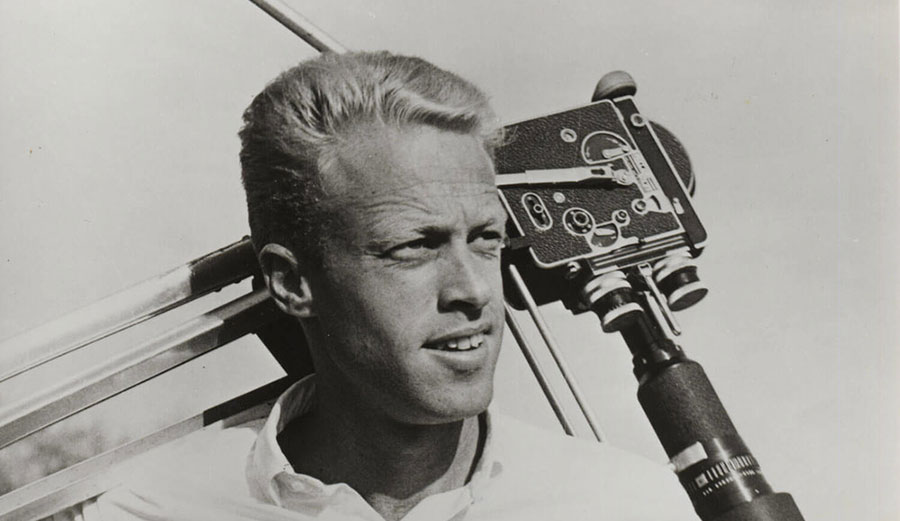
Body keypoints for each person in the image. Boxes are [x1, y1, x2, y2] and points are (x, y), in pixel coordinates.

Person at [73, 51, 693, 521]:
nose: (473, 290)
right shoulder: (154, 510)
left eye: (486, 239)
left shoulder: (628, 505)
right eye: (414, 247)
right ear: (292, 282)